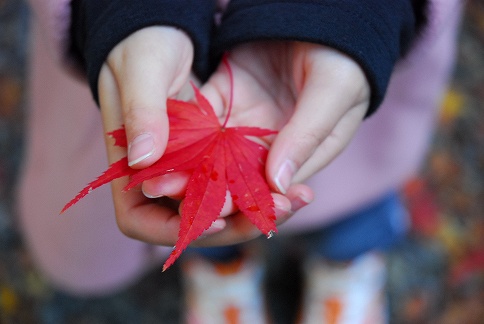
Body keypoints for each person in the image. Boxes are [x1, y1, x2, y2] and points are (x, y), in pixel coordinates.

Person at [19, 0, 462, 322]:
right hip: (156, 58)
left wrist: (355, 13)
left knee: (350, 193)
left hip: (349, 54)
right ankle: (220, 265)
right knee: (205, 209)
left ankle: (347, 261)